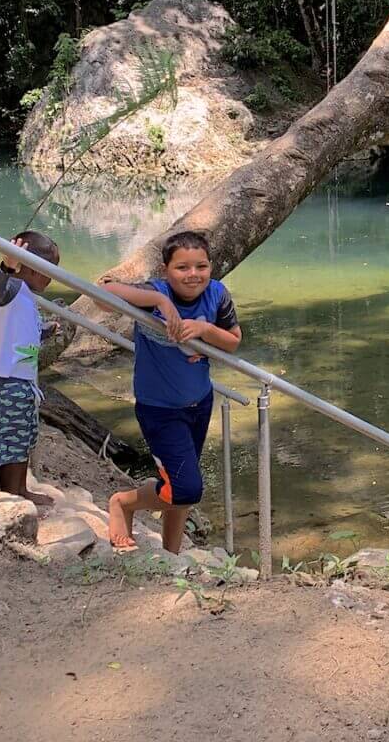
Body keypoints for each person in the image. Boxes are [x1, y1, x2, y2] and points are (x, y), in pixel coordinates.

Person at [102, 230, 241, 553]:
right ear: (166, 270)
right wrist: (160, 301)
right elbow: (104, 293)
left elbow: (233, 341)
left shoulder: (217, 294)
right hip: (159, 410)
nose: (193, 275)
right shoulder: (155, 293)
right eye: (183, 268)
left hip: (199, 403)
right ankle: (123, 504)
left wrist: (205, 331)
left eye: (201, 266)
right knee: (186, 488)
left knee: (179, 488)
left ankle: (172, 554)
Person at [0, 230, 61, 507]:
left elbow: (17, 329)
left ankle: (21, 490)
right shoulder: (8, 287)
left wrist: (44, 331)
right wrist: (7, 267)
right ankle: (12, 496)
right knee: (11, 443)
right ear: (30, 267)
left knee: (22, 439)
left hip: (21, 381)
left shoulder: (24, 293)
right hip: (5, 381)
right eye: (48, 270)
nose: (51, 277)